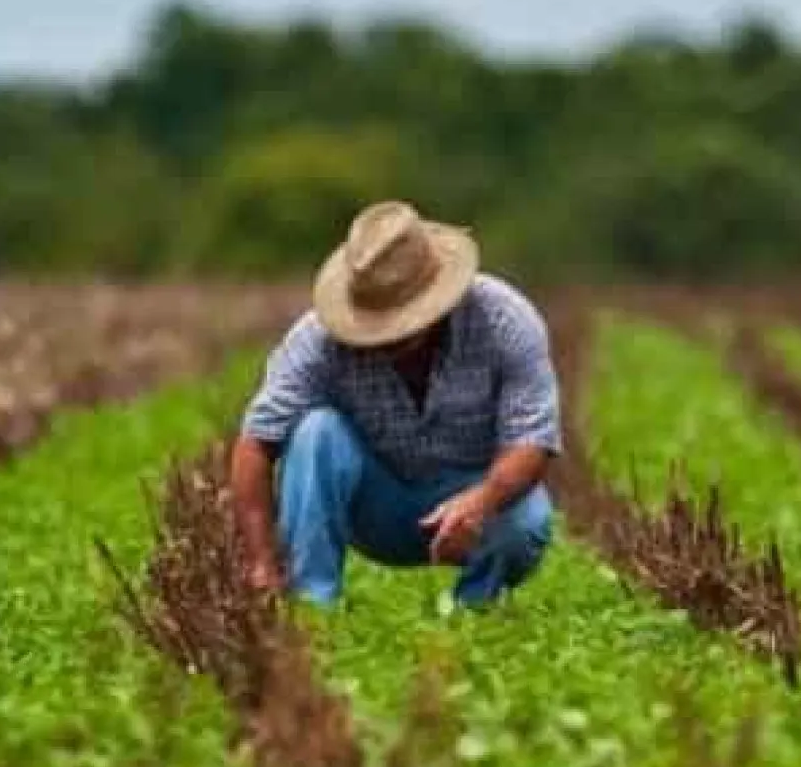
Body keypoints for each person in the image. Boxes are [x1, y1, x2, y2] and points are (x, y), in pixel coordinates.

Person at [229, 200, 561, 608]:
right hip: (376, 506)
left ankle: (473, 614)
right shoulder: (317, 340)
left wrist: (480, 500)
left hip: (475, 498)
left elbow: (532, 441)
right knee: (316, 432)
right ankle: (313, 607)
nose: (390, 341)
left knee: (527, 518)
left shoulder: (505, 320)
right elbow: (256, 443)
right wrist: (261, 563)